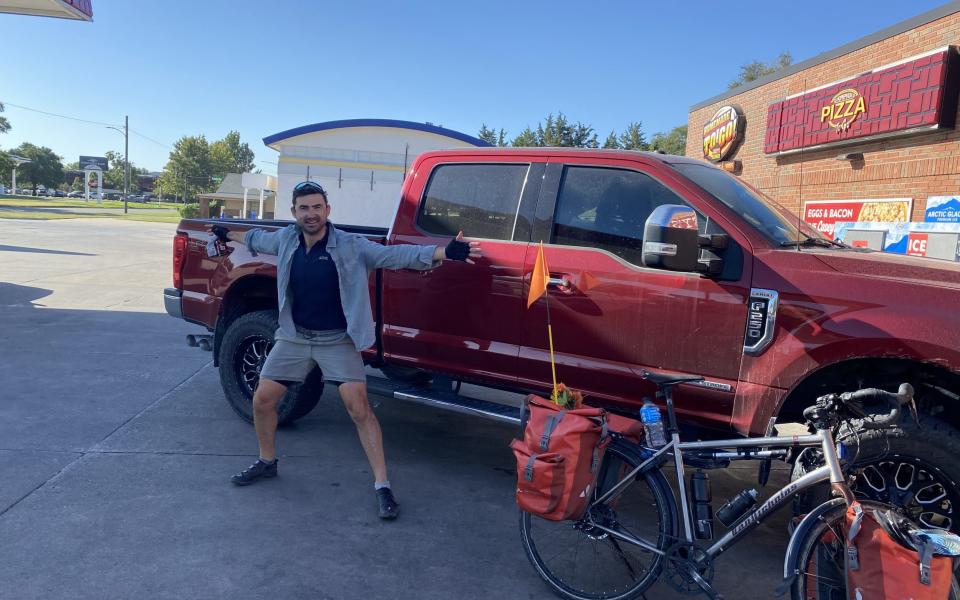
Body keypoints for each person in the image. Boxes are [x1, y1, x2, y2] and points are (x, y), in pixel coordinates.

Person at [212, 180, 481, 520]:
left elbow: (396, 254)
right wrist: (227, 234)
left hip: (337, 340)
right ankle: (267, 461)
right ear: (294, 212)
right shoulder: (286, 240)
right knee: (262, 400)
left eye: (317, 207)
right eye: (304, 208)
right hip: (294, 337)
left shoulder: (351, 246)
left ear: (328, 210)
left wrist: (443, 252)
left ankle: (382, 485)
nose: (311, 214)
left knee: (359, 410)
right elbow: (255, 238)